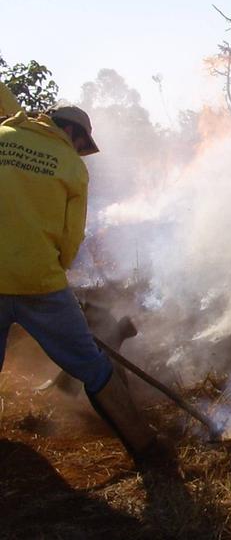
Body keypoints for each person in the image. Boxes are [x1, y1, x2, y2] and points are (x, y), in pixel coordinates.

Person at [0, 93, 167, 468]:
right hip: (39, 282)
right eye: (81, 142)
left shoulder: (3, 136)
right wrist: (53, 271)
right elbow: (71, 239)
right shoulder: (72, 167)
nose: (80, 149)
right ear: (72, 132)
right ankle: (148, 450)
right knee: (93, 366)